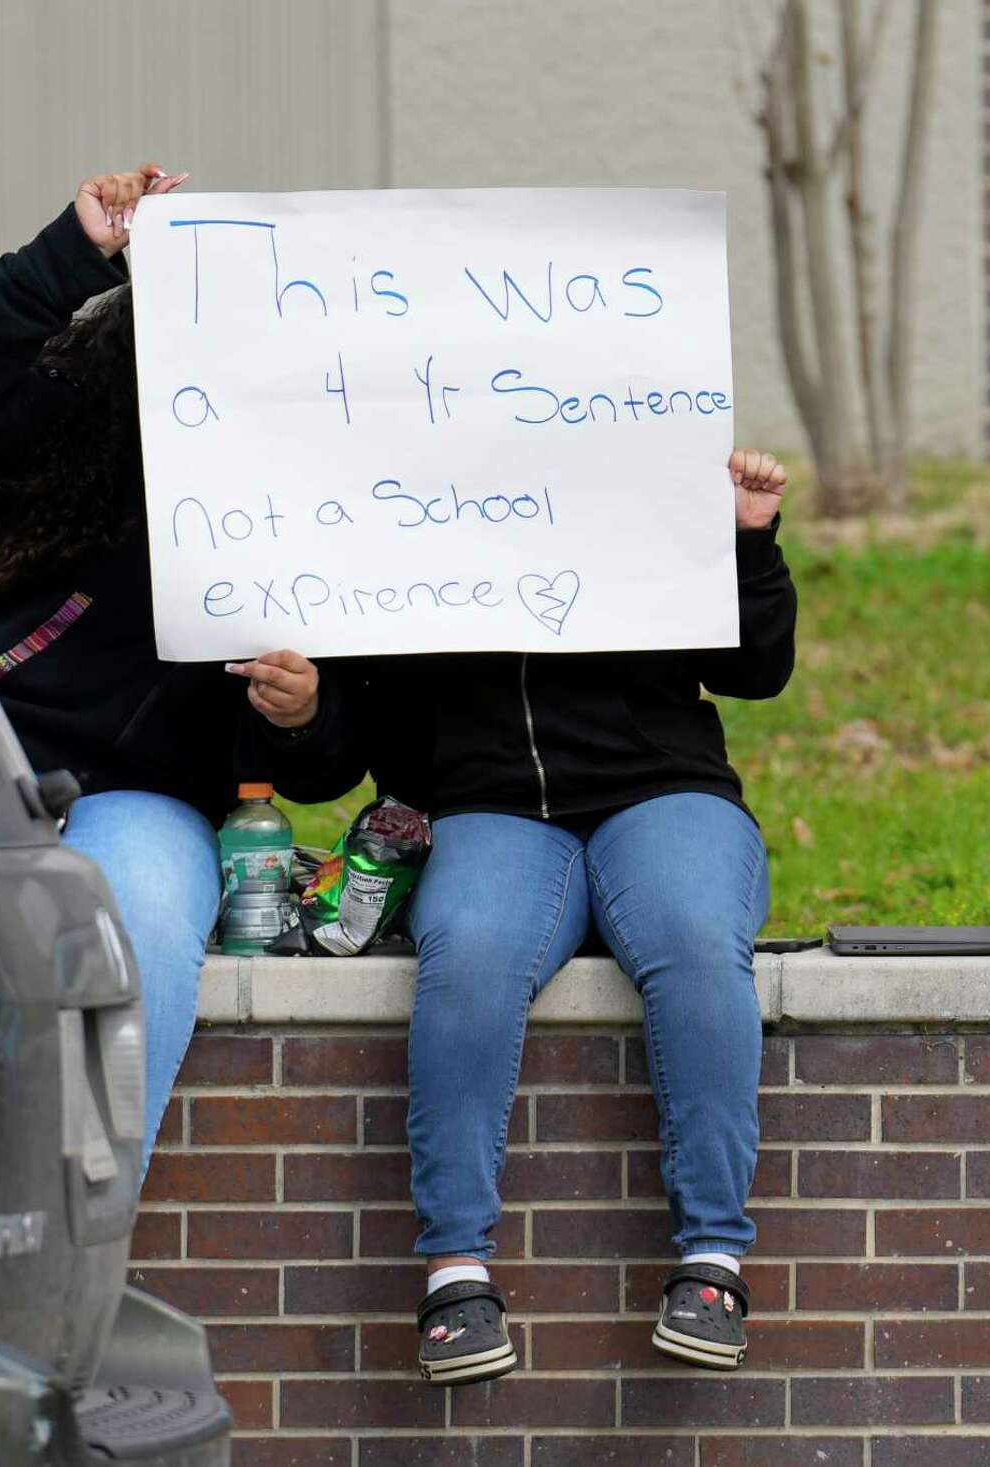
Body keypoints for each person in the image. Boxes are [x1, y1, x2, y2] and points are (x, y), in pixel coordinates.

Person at [276, 448, 794, 1385]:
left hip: (664, 788)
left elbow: (758, 668)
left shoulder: (624, 453)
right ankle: (456, 1270)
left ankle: (714, 1258)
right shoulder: (377, 500)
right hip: (486, 807)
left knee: (690, 938)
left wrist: (748, 537)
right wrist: (304, 710)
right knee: (470, 950)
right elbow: (329, 762)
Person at [0, 165, 326, 1168]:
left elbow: (323, 772)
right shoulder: (75, 420)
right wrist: (70, 250)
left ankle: (89, 1225)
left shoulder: (327, 499)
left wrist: (302, 714)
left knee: (141, 937)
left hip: (152, 799)